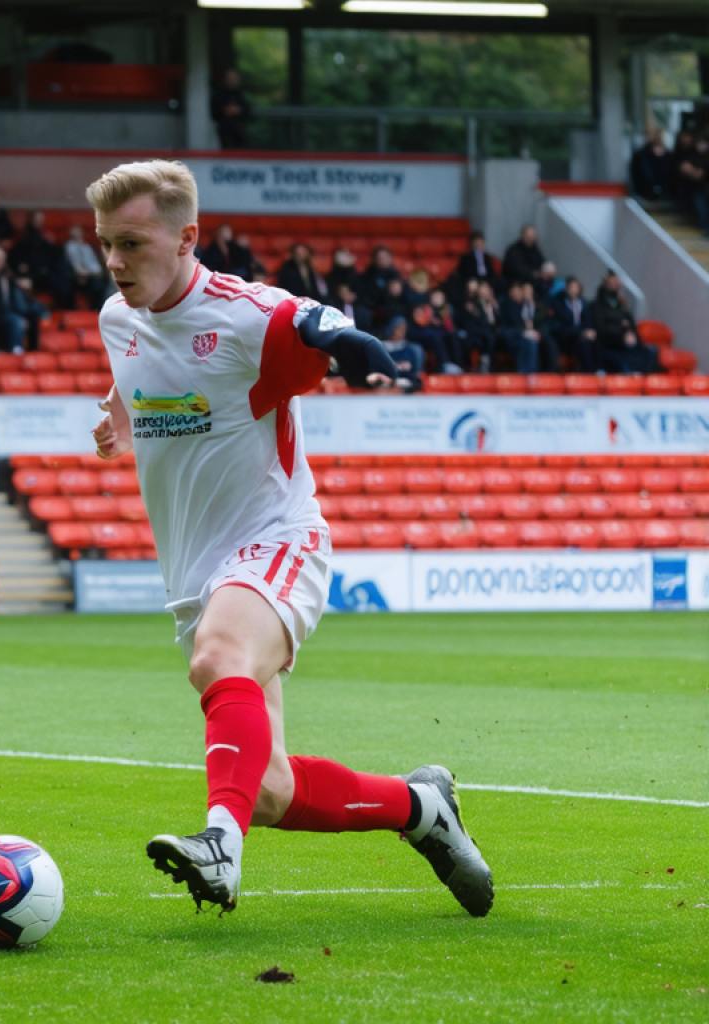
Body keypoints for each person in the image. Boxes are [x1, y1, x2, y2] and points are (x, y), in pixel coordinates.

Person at [85, 159, 491, 918]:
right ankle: (422, 810)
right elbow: (136, 369)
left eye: (132, 243)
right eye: (105, 242)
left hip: (275, 538)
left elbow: (310, 321)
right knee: (268, 789)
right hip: (193, 574)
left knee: (219, 657)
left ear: (187, 239)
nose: (113, 260)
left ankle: (218, 847)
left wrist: (362, 347)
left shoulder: (240, 316)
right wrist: (118, 417)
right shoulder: (118, 316)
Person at [591, 272, 655, 373]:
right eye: (612, 283)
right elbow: (601, 329)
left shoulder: (622, 304)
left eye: (617, 283)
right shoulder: (598, 305)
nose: (615, 285)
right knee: (622, 361)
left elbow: (631, 325)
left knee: (651, 351)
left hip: (626, 343)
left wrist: (631, 334)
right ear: (605, 284)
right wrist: (622, 332)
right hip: (610, 345)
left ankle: (643, 380)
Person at [547, 276, 597, 371]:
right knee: (584, 344)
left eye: (575, 288)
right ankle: (589, 374)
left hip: (582, 337)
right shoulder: (558, 304)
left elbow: (588, 322)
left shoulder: (584, 303)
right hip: (566, 339)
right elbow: (558, 327)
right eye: (571, 288)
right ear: (566, 289)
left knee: (595, 341)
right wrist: (581, 332)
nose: (573, 290)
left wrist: (590, 332)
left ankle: (599, 372)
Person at [63, 224, 107, 309]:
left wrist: (95, 272)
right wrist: (91, 273)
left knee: (103, 283)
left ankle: (100, 310)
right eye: (75, 233)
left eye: (79, 233)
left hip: (92, 276)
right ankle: (96, 309)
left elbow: (96, 267)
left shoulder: (86, 247)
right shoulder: (70, 247)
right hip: (78, 279)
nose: (78, 235)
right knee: (96, 285)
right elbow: (78, 270)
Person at [211, 69, 251, 150]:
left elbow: (248, 110)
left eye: (234, 78)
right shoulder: (219, 94)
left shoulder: (241, 94)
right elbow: (214, 113)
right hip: (224, 130)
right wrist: (225, 111)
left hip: (240, 129)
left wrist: (239, 110)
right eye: (230, 78)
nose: (232, 80)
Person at [630, 127, 669, 202]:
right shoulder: (641, 155)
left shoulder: (668, 154)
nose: (658, 137)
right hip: (645, 192)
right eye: (656, 135)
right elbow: (639, 174)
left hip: (666, 193)